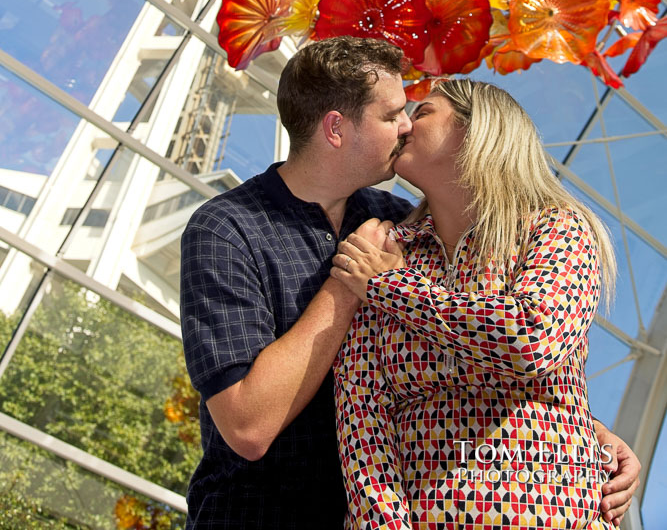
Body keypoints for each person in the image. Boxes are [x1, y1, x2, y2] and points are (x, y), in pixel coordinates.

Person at [180, 37, 640, 529]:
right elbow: (255, 425)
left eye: (416, 113)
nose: (404, 127)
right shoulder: (228, 230)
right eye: (394, 114)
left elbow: (506, 345)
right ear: (336, 128)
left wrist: (581, 429)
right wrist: (352, 283)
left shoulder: (404, 230)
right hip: (260, 515)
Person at [332, 78, 630, 529]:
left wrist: (393, 287)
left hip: (554, 514)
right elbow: (361, 411)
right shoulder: (385, 250)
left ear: (476, 130)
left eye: (424, 112)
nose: (406, 124)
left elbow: (531, 339)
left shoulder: (557, 229)